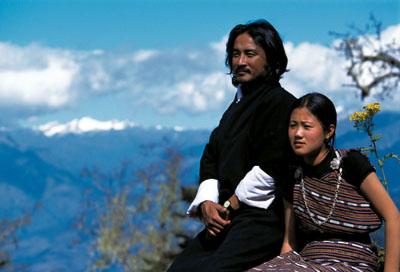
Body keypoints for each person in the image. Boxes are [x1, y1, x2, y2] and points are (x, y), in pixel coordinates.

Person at [167, 20, 296, 272]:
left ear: (271, 59)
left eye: (250, 54)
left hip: (261, 220)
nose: (240, 62)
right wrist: (206, 203)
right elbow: (212, 153)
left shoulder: (281, 103)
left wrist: (229, 205)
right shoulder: (236, 106)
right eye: (235, 54)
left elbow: (273, 163)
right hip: (225, 220)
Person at [249, 93, 400, 272]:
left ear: (329, 131)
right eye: (292, 126)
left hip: (353, 263)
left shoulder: (350, 163)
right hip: (307, 262)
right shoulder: (292, 175)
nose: (298, 134)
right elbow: (289, 242)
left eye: (306, 127)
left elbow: (393, 217)